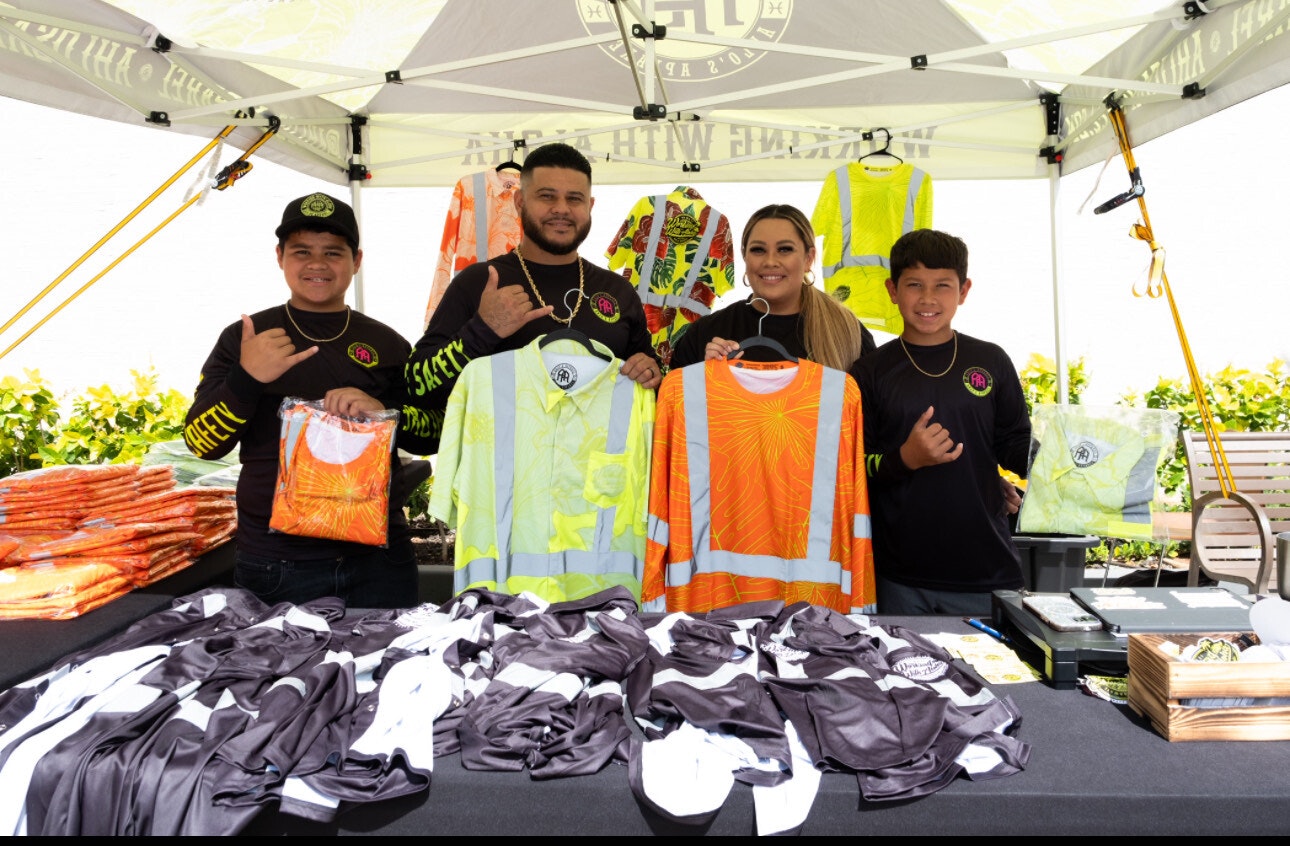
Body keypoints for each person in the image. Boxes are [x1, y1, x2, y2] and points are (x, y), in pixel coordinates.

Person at [183, 192, 417, 608]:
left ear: (356, 261)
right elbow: (202, 443)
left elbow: (430, 432)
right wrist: (247, 378)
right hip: (278, 563)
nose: (317, 264)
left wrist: (379, 413)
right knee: (279, 674)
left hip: (380, 559)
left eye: (333, 252)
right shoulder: (245, 337)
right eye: (301, 251)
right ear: (279, 257)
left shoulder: (389, 342)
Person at [402, 142, 660, 454]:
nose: (561, 209)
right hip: (500, 491)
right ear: (520, 201)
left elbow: (651, 381)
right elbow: (417, 388)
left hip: (595, 492)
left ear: (590, 206)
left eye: (574, 199)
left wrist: (649, 372)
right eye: (547, 196)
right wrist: (482, 331)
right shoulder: (479, 283)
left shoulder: (618, 292)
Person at [854, 229, 1032, 616]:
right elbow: (852, 468)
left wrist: (1060, 459)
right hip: (898, 576)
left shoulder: (991, 360)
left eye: (943, 286)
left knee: (995, 677)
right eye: (915, 284)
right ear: (892, 289)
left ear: (964, 290)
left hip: (987, 570)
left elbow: (1014, 444)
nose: (928, 299)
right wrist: (906, 458)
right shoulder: (869, 372)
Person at [668, 204, 876, 377]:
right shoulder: (705, 333)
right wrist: (703, 377)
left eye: (785, 249)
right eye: (758, 250)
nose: (770, 261)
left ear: (809, 258)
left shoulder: (848, 333)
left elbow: (869, 420)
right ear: (744, 256)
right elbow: (677, 413)